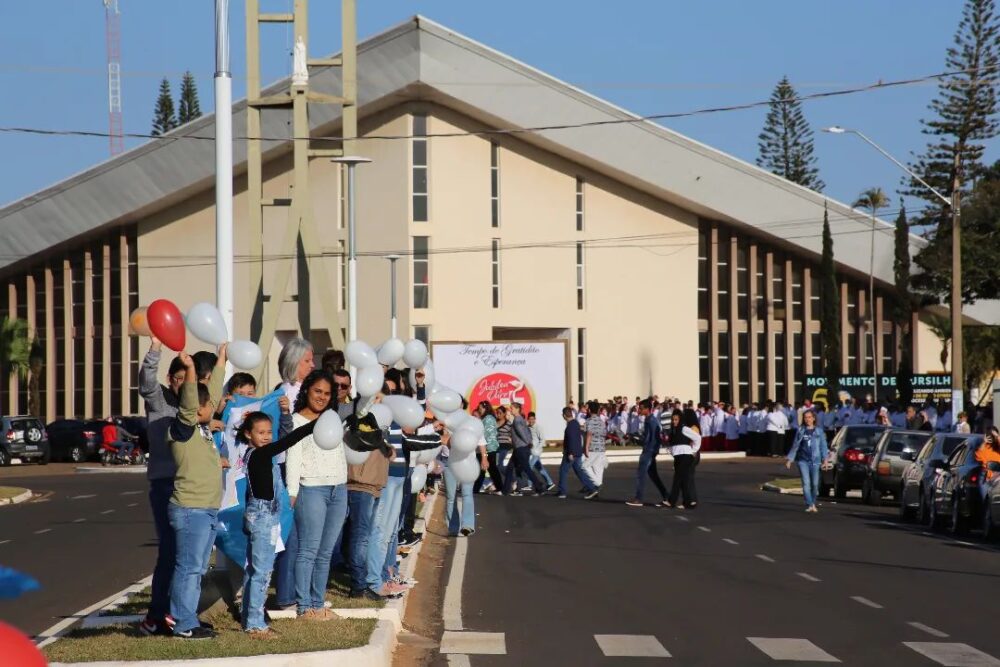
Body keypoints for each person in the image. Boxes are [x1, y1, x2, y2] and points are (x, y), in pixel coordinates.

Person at [237, 409, 316, 636]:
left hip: (259, 515)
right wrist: (311, 427)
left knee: (254, 570)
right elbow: (288, 441)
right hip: (263, 518)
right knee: (262, 572)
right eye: (260, 432)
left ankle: (249, 617)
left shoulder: (256, 455)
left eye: (269, 432)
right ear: (248, 434)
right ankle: (255, 623)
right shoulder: (259, 454)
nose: (266, 436)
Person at [167, 345, 226, 640]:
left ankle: (188, 618)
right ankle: (182, 623)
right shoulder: (183, 427)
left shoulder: (203, 430)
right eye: (207, 406)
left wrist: (222, 361)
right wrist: (190, 370)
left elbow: (210, 394)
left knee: (198, 568)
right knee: (189, 568)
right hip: (191, 509)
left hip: (206, 509)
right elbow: (192, 402)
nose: (212, 408)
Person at [284, 369, 346, 620]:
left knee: (326, 552)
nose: (321, 397)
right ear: (307, 390)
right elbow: (293, 458)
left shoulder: (333, 418)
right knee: (308, 550)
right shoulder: (296, 421)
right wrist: (292, 492)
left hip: (339, 489)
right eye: (317, 391)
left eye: (327, 393)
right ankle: (303, 607)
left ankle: (318, 605)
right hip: (311, 490)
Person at [138, 339, 186, 637]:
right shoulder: (160, 401)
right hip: (164, 484)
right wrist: (155, 349)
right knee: (169, 550)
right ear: (171, 380)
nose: (182, 384)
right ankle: (156, 616)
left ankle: (177, 612)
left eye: (187, 378)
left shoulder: (194, 406)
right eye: (178, 378)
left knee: (187, 554)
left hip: (190, 486)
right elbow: (145, 383)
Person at [271, 337, 315, 612]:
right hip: (288, 467)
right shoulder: (284, 394)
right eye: (307, 361)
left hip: (308, 467)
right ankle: (286, 594)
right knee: (293, 534)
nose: (313, 365)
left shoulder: (307, 392)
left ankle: (302, 591)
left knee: (307, 534)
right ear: (293, 363)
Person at [345, 410, 394, 601]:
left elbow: (389, 453)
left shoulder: (377, 432)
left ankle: (360, 582)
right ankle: (358, 585)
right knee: (360, 536)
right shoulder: (357, 428)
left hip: (374, 487)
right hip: (360, 487)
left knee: (364, 535)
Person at [784, 409, 828, 513]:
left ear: (813, 418)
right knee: (806, 483)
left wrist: (825, 459)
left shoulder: (819, 431)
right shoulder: (800, 430)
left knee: (815, 484)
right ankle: (810, 504)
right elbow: (795, 445)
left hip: (815, 461)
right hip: (803, 461)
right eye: (805, 417)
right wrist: (790, 459)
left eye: (809, 417)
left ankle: (813, 502)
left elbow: (823, 446)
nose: (807, 419)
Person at [444, 428, 486, 537]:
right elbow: (447, 443)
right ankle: (453, 527)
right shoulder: (447, 423)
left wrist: (484, 458)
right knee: (451, 496)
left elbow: (481, 441)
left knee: (467, 493)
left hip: (468, 462)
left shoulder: (471, 424)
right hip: (450, 462)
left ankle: (467, 525)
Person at [626, 400, 668, 507]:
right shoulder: (649, 420)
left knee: (641, 474)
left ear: (647, 409)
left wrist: (636, 439)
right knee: (654, 476)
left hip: (649, 451)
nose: (639, 410)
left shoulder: (651, 421)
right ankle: (667, 496)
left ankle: (638, 498)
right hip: (650, 450)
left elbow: (650, 438)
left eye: (641, 408)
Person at [556, 407, 599, 499]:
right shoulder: (575, 423)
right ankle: (592, 489)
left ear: (564, 415)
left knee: (563, 471)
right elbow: (578, 439)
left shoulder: (570, 426)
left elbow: (572, 440)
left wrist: (570, 453)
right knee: (579, 471)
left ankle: (562, 492)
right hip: (577, 452)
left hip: (571, 453)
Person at [504, 402, 546, 496]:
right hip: (519, 448)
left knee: (527, 469)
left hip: (521, 448)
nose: (510, 410)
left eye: (512, 408)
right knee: (510, 468)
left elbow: (522, 433)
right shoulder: (520, 419)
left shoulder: (517, 420)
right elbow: (526, 431)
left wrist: (528, 442)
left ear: (517, 409)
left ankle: (539, 487)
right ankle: (505, 490)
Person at [666, 409, 702, 509]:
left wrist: (694, 450)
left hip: (686, 455)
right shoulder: (674, 429)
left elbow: (697, 438)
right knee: (684, 479)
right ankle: (689, 502)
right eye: (673, 419)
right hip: (678, 456)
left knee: (678, 478)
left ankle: (671, 501)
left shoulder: (684, 428)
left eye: (676, 419)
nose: (674, 422)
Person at [472, 401, 504, 494]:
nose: (479, 409)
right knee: (488, 469)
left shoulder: (488, 418)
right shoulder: (486, 418)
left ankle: (499, 488)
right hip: (487, 447)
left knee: (489, 468)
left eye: (480, 408)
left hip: (489, 447)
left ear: (485, 408)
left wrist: (483, 449)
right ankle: (498, 488)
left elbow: (486, 434)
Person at [582, 401, 609, 488]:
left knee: (584, 466)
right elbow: (604, 434)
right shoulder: (602, 421)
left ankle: (597, 484)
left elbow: (589, 434)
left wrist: (586, 448)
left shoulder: (589, 421)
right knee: (598, 468)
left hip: (592, 448)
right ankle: (596, 488)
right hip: (601, 447)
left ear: (589, 410)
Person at [527, 411, 555, 490]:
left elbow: (542, 440)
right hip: (531, 451)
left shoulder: (538, 428)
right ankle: (550, 482)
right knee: (540, 468)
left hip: (536, 452)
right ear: (527, 419)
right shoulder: (528, 427)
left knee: (529, 466)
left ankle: (529, 485)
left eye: (533, 419)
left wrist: (537, 449)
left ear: (535, 419)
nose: (531, 421)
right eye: (530, 419)